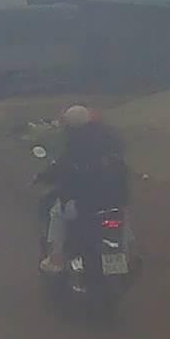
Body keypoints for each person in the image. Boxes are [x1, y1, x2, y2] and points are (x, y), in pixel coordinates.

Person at [37, 105, 130, 273]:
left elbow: (60, 168)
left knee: (56, 213)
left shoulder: (75, 145)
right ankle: (126, 253)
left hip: (85, 204)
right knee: (120, 217)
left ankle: (56, 258)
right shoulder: (109, 138)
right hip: (115, 199)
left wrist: (43, 176)